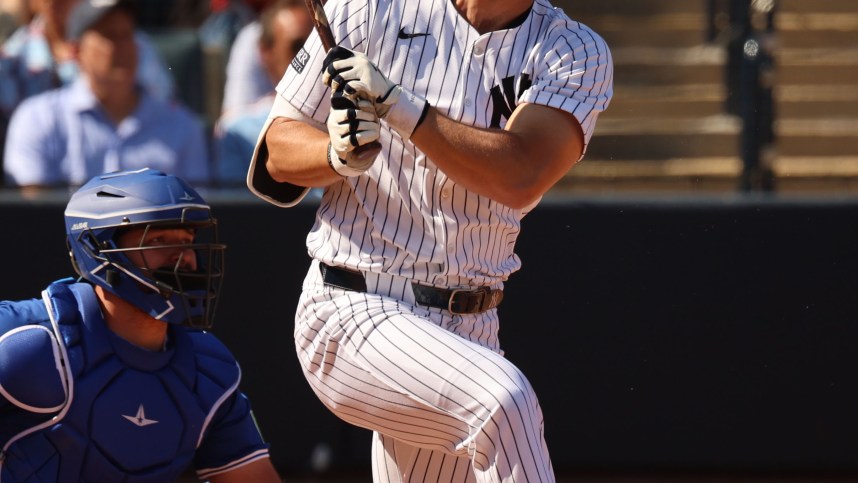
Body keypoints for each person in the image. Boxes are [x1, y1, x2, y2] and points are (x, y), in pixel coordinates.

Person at [245, 0, 613, 479]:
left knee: (494, 404)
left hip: (471, 325)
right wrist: (334, 153)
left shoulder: (574, 49)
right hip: (354, 304)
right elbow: (277, 151)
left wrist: (400, 107)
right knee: (504, 404)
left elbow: (522, 173)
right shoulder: (369, 8)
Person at [0, 168, 282, 482]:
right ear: (98, 248)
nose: (184, 257)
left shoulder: (209, 370)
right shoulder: (27, 341)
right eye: (159, 239)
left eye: (187, 240)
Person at [2, 0, 209, 191]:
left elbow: (197, 214)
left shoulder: (181, 126)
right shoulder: (37, 119)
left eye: (128, 34)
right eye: (109, 35)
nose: (122, 47)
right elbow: (31, 216)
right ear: (76, 50)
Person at [213, 0, 312, 185]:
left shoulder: (357, 116)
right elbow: (236, 208)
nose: (312, 58)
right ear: (266, 53)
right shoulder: (236, 132)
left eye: (316, 46)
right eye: (299, 47)